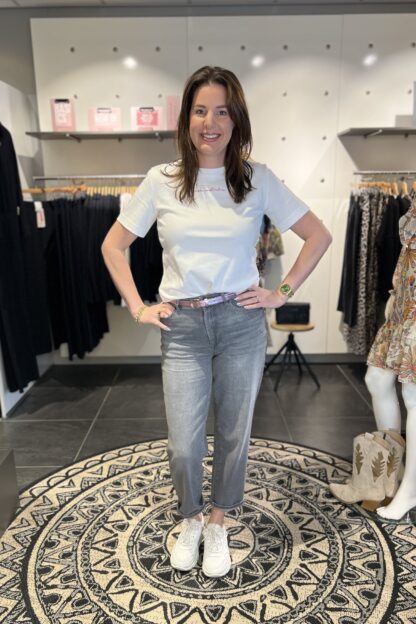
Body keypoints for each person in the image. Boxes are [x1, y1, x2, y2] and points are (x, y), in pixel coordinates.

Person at [101, 65, 332, 577]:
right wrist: (139, 306)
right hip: (182, 327)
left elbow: (318, 235)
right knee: (184, 442)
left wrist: (281, 293)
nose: (211, 123)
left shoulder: (257, 179)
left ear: (236, 119)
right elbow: (113, 246)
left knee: (234, 432)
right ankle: (190, 518)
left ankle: (219, 522)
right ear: (186, 118)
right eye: (201, 110)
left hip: (240, 322)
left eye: (222, 112)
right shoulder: (161, 181)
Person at [365, 199, 416, 522]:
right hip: (403, 302)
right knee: (376, 379)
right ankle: (390, 473)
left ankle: (410, 489)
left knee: (413, 394)